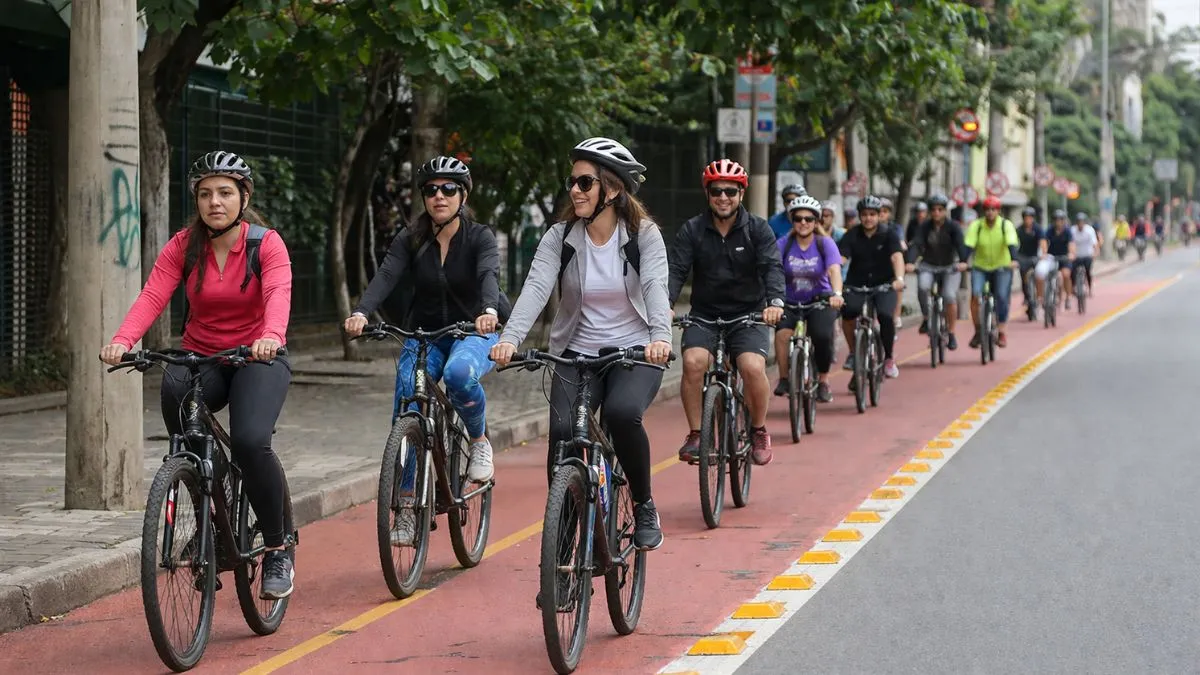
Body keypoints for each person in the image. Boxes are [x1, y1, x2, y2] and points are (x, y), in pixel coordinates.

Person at [99, 151, 296, 599]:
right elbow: (153, 294)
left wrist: (271, 335)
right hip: (201, 355)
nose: (215, 202)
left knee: (249, 440)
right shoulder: (183, 245)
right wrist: (124, 340)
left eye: (225, 192)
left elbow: (278, 293)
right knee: (180, 412)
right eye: (205, 194)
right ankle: (214, 508)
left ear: (243, 198)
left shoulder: (266, 244)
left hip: (257, 357)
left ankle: (279, 549)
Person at [490, 137, 672, 552]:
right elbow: (536, 287)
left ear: (613, 188)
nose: (574, 190)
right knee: (561, 435)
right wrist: (510, 338)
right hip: (575, 353)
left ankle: (644, 504)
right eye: (572, 181)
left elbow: (655, 287)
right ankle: (564, 543)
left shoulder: (642, 235)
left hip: (635, 351)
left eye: (585, 182)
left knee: (625, 414)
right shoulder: (561, 237)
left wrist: (660, 337)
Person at [344, 156, 505, 549]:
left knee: (458, 375)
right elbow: (386, 275)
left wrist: (488, 312)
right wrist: (362, 312)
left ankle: (479, 441)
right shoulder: (410, 238)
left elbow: (489, 276)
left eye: (449, 188)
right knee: (407, 399)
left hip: (474, 329)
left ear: (463, 195)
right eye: (431, 189)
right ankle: (406, 506)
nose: (439, 196)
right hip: (425, 333)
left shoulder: (480, 236)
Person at [669, 158, 785, 466]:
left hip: (749, 315)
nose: (723, 197)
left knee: (751, 367)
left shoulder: (758, 230)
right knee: (693, 363)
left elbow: (772, 267)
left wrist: (775, 303)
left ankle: (758, 429)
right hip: (705, 314)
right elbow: (676, 271)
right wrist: (664, 305)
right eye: (717, 191)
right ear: (707, 193)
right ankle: (696, 434)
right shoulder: (692, 230)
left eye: (731, 192)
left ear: (741, 194)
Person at [773, 195, 843, 402]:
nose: (803, 223)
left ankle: (823, 380)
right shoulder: (783, 244)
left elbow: (834, 271)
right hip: (789, 302)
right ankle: (784, 378)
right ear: (792, 221)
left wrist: (837, 294)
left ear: (816, 221)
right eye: (798, 218)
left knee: (822, 336)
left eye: (809, 219)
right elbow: (772, 272)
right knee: (782, 336)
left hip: (819, 301)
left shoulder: (825, 244)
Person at [838, 195, 905, 381]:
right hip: (856, 284)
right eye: (865, 214)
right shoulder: (851, 235)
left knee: (885, 315)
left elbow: (897, 257)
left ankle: (889, 358)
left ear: (879, 216)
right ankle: (853, 352)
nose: (869, 218)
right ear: (860, 216)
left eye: (873, 214)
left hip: (884, 284)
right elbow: (841, 258)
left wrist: (899, 278)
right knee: (849, 312)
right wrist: (834, 275)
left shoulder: (889, 234)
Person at [906, 198, 969, 349]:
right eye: (933, 210)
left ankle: (952, 333)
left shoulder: (953, 226)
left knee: (949, 295)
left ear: (945, 211)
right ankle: (927, 318)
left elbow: (961, 244)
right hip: (928, 265)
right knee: (922, 286)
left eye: (940, 209)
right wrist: (910, 261)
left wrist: (963, 261)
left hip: (950, 267)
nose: (936, 213)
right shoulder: (924, 227)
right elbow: (916, 244)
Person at [965, 195, 1019, 348]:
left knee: (1001, 296)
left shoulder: (1005, 225)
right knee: (975, 295)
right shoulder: (977, 225)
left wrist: (1014, 260)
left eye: (993, 209)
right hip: (980, 267)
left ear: (998, 211)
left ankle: (1001, 331)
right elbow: (969, 245)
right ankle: (977, 331)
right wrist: (963, 261)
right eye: (987, 209)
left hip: (1002, 267)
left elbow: (1012, 243)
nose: (990, 212)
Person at [1036, 209, 1076, 309]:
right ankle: (1043, 297)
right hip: (1052, 257)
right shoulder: (1050, 230)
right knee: (1043, 273)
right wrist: (1044, 253)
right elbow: (1044, 241)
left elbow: (1071, 244)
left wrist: (1071, 254)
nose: (1058, 222)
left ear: (1063, 221)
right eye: (1056, 220)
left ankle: (1068, 296)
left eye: (1060, 220)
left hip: (1064, 257)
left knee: (1066, 274)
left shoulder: (1067, 231)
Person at [1015, 206, 1047, 317]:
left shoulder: (1038, 229)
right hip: (1023, 256)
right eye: (1026, 218)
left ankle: (1040, 297)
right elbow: (1014, 243)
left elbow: (1043, 242)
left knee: (1039, 273)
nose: (1028, 220)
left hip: (1035, 256)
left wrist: (1043, 254)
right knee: (1024, 276)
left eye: (1030, 218)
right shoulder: (1019, 229)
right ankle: (1027, 297)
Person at [1071, 211, 1099, 297]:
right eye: (1079, 222)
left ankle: (1090, 288)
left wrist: (1095, 253)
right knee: (1072, 272)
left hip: (1087, 255)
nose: (1080, 224)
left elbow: (1094, 243)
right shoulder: (1072, 230)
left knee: (1088, 271)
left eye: (1082, 222)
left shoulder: (1089, 230)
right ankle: (1074, 287)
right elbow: (1070, 243)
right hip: (1076, 255)